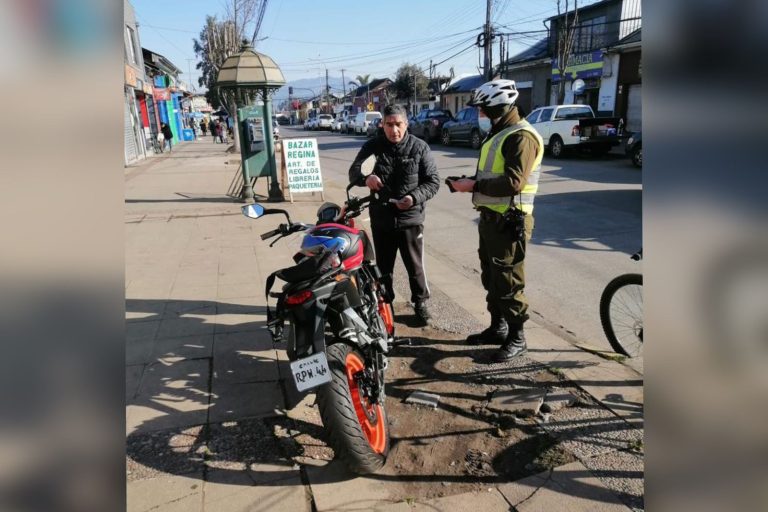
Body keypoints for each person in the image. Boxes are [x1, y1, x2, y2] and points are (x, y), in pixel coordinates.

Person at [447, 79, 544, 361]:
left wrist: (474, 186)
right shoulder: (501, 132)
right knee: (492, 276)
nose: (481, 115)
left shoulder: (521, 137)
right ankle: (498, 327)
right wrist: (468, 181)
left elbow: (514, 182)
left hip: (510, 221)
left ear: (498, 108)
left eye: (484, 110)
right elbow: (493, 174)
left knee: (509, 280)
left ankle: (517, 337)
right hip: (492, 219)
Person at [348, 104, 440, 324]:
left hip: (411, 219)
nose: (394, 130)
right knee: (383, 268)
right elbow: (354, 171)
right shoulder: (373, 146)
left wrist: (414, 198)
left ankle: (420, 303)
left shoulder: (419, 147)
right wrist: (365, 179)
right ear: (383, 124)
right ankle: (385, 304)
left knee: (415, 266)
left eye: (398, 124)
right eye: (389, 124)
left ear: (406, 124)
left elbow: (433, 181)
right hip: (382, 219)